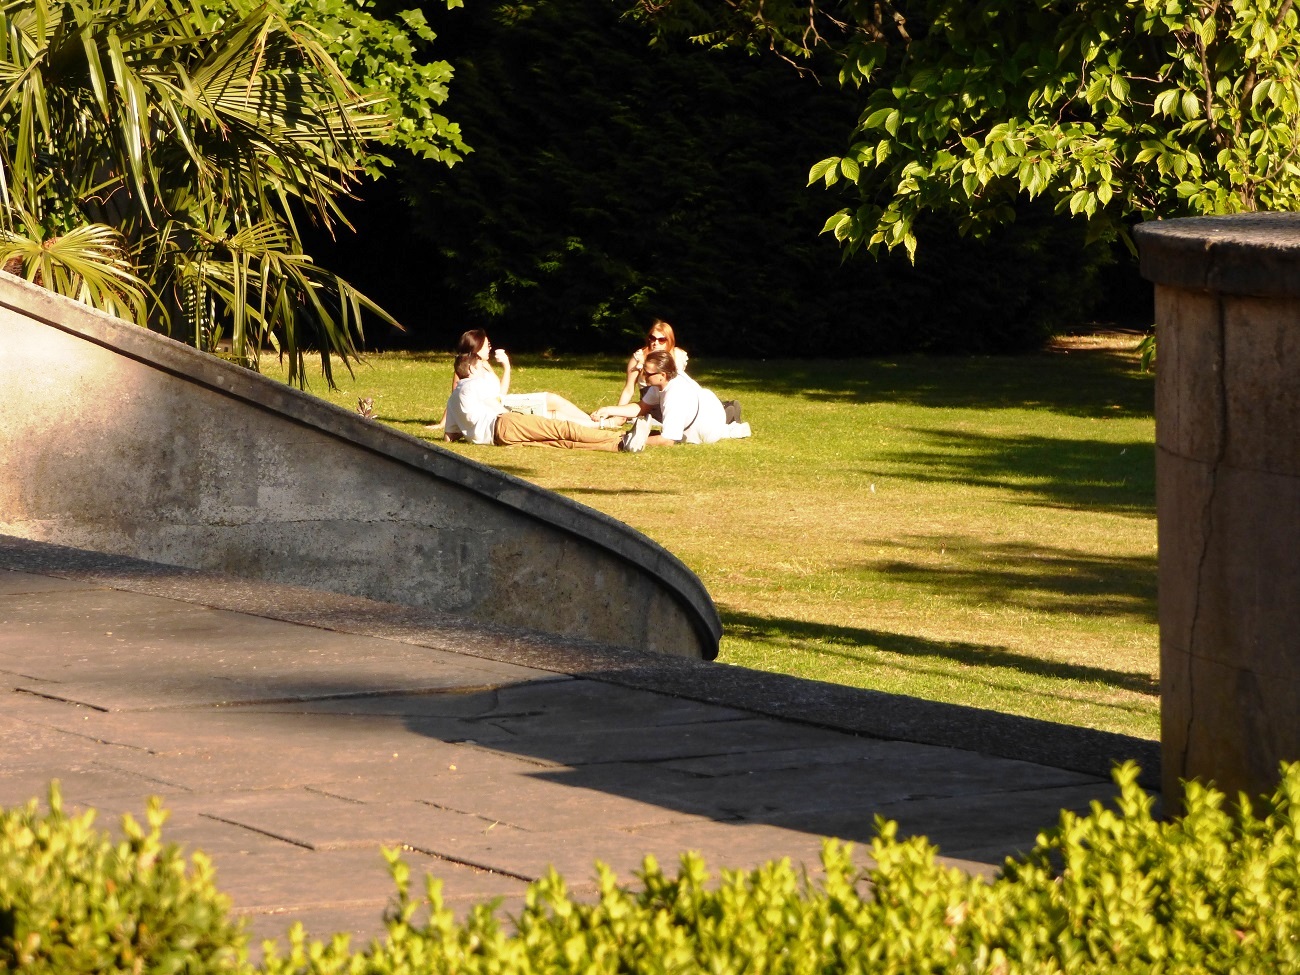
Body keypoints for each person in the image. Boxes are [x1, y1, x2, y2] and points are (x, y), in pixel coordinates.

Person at [444, 354, 625, 450]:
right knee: (562, 428)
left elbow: (449, 437)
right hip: (506, 423)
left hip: (499, 440)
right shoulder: (476, 383)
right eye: (481, 367)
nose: (484, 370)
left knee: (558, 442)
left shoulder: (452, 399)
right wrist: (504, 367)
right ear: (470, 369)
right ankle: (621, 439)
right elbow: (500, 396)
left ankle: (616, 446)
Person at [591, 351, 751, 452]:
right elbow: (641, 407)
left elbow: (667, 440)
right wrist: (609, 410)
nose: (643, 376)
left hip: (709, 428)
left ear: (663, 374)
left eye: (647, 373)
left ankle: (728, 416)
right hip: (708, 404)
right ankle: (728, 412)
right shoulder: (663, 381)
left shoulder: (674, 397)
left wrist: (632, 440)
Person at [455, 329, 597, 426]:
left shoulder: (484, 365)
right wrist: (445, 423)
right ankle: (596, 424)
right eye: (487, 345)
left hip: (503, 403)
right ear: (477, 348)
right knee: (553, 412)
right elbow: (456, 398)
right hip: (501, 410)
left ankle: (592, 421)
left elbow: (500, 393)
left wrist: (507, 367)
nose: (490, 348)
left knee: (552, 401)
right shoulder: (468, 370)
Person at [618, 320, 689, 407]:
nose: (656, 343)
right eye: (652, 338)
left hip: (674, 401)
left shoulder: (678, 356)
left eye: (662, 340)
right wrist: (618, 413)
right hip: (650, 404)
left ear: (669, 340)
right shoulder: (640, 357)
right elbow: (629, 389)